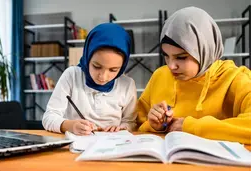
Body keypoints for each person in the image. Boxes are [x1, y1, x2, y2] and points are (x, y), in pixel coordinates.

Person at [136, 7, 251, 144]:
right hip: (164, 162)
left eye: (181, 57)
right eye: (166, 56)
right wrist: (156, 125)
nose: (171, 66)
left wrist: (190, 126)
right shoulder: (159, 75)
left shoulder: (234, 78)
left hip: (217, 164)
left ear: (205, 49)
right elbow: (137, 125)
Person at [42, 23, 137, 135]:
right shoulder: (71, 75)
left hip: (113, 147)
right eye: (96, 66)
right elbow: (49, 117)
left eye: (113, 70)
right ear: (87, 56)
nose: (103, 77)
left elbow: (131, 122)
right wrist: (71, 126)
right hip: (75, 147)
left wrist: (123, 127)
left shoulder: (127, 84)